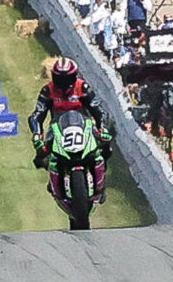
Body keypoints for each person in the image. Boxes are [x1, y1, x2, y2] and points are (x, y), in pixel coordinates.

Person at [28, 58, 114, 190]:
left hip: (84, 126)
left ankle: (101, 176)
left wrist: (103, 128)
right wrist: (37, 135)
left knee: (105, 147)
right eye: (60, 78)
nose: (63, 82)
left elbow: (99, 110)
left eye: (67, 78)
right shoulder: (48, 91)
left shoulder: (82, 87)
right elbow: (37, 115)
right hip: (58, 128)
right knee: (41, 157)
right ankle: (54, 180)